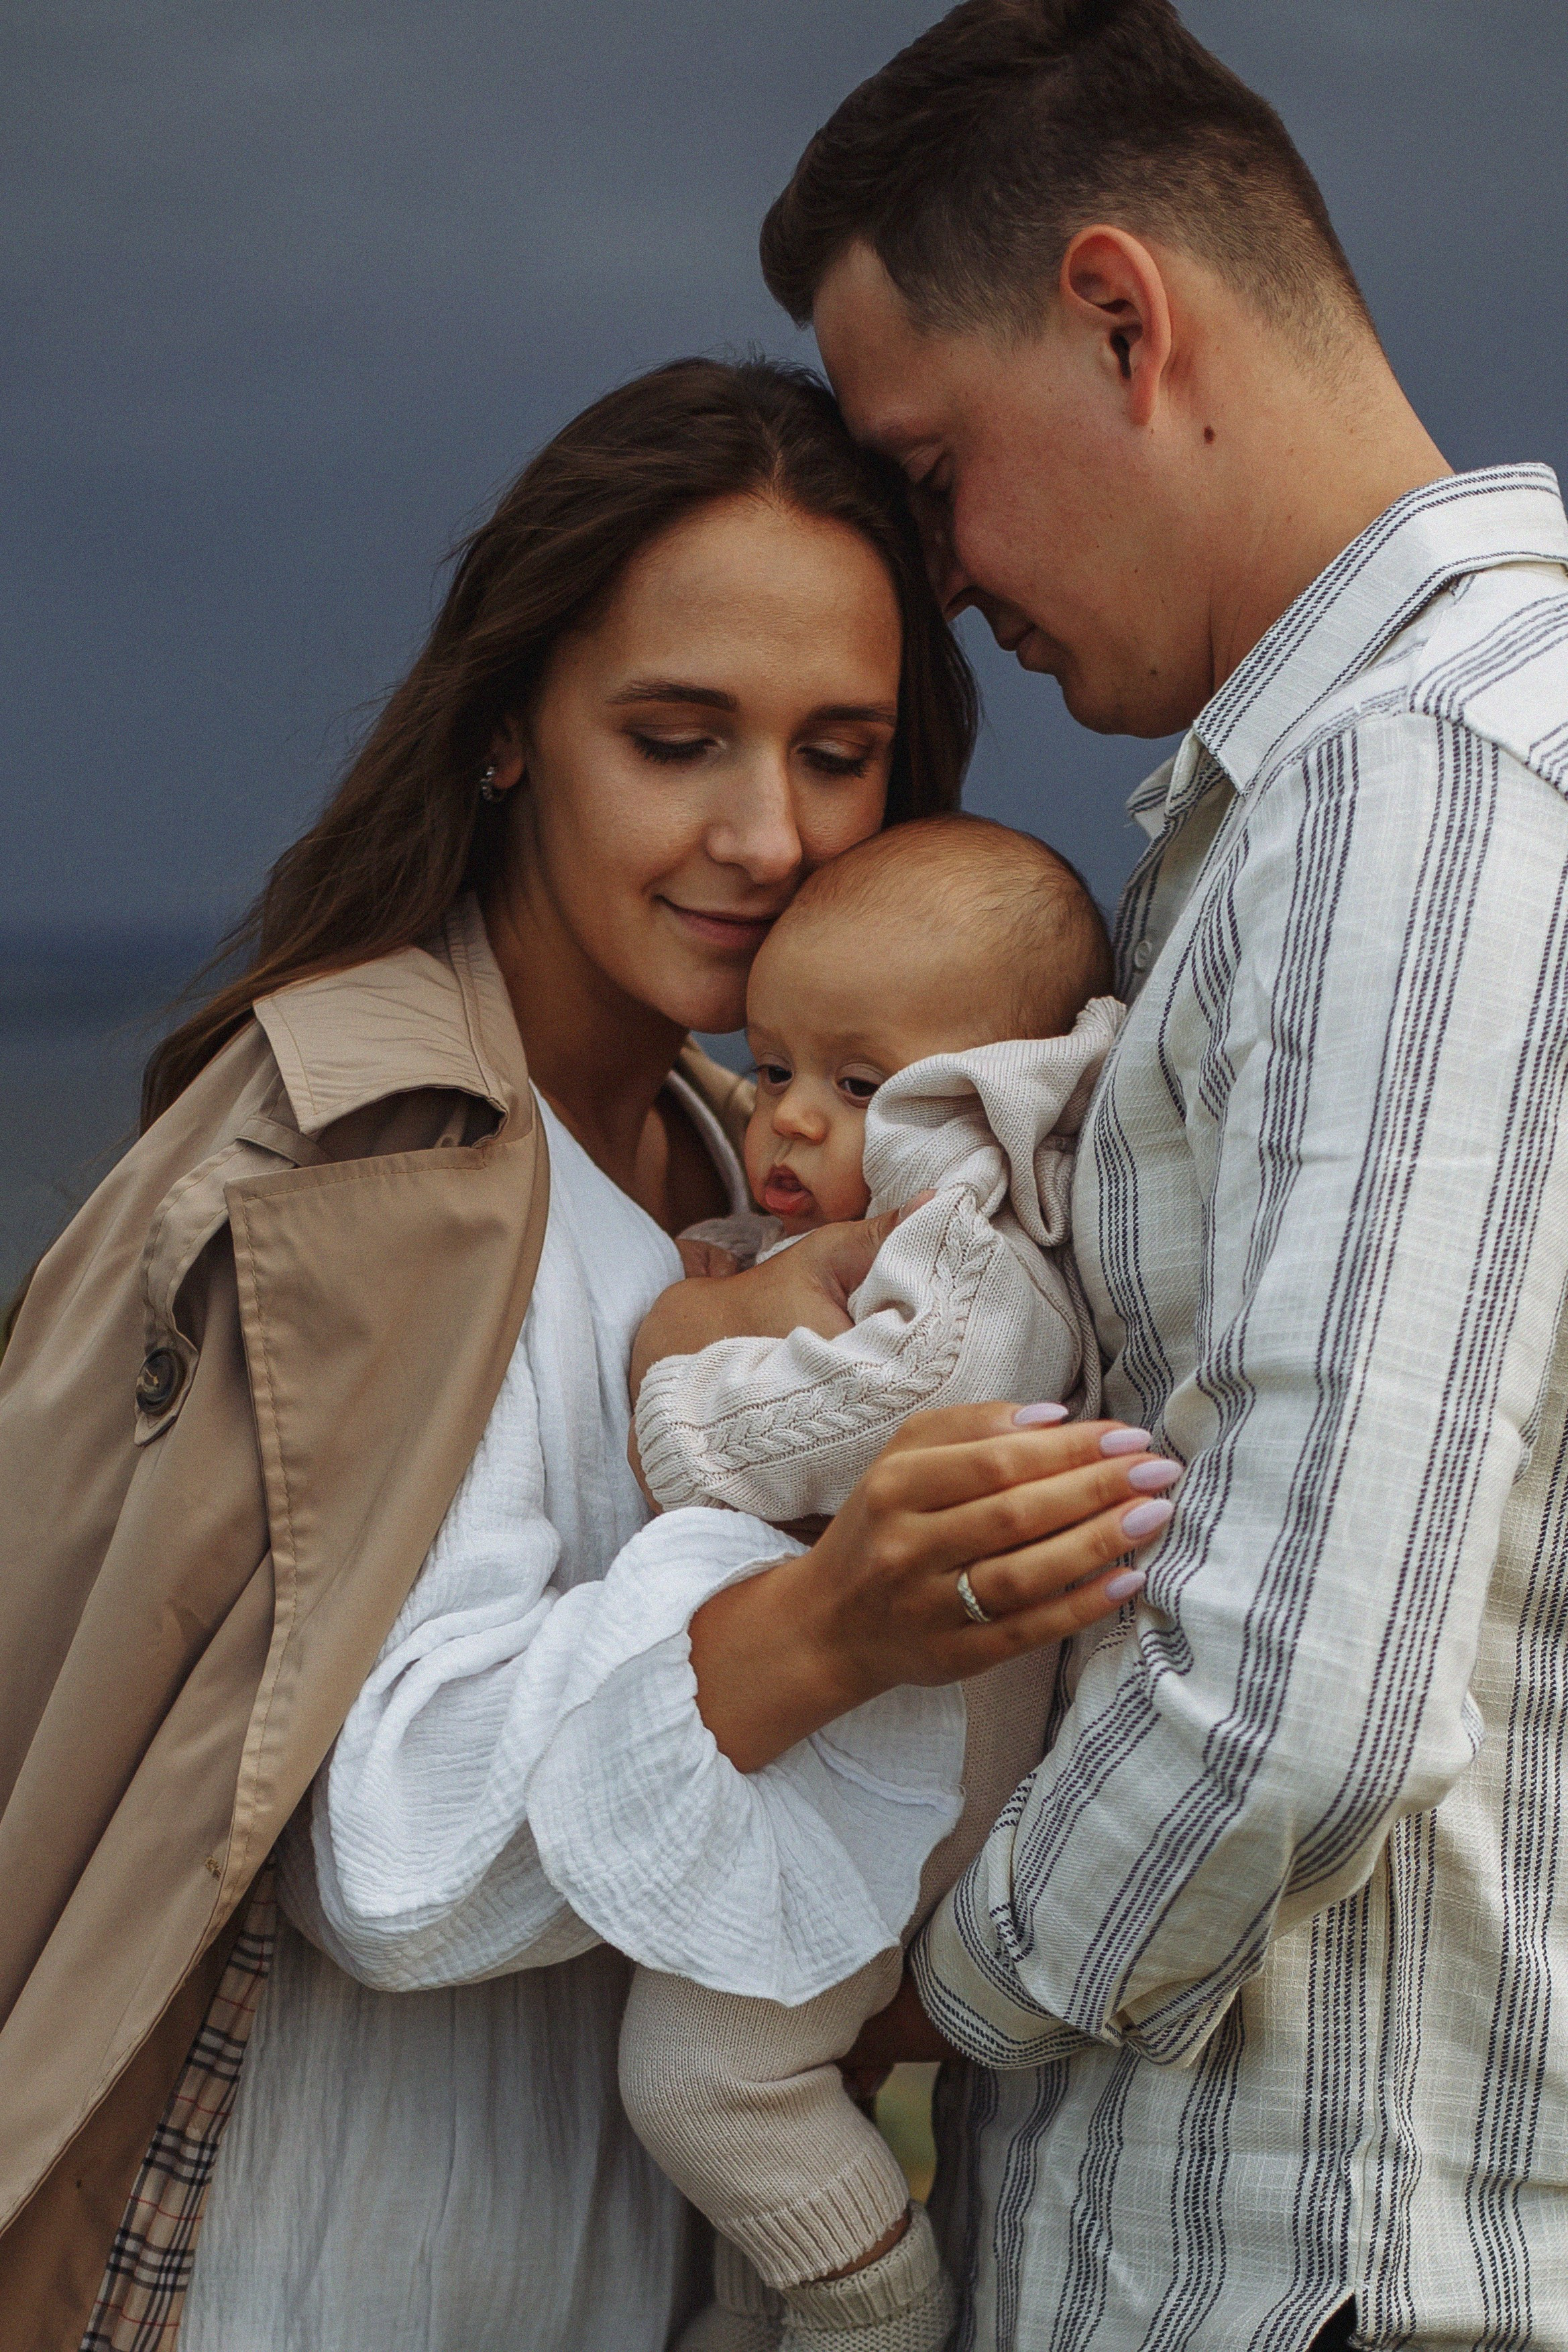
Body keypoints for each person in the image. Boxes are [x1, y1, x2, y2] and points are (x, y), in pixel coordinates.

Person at [0, 355, 1174, 2352]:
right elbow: (382, 1855)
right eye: (674, 738)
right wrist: (831, 1622)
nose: (765, 833)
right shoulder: (367, 1157)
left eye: (838, 752)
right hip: (299, 2270)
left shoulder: (749, 1177)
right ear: (506, 734)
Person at [679, 1, 1568, 2343]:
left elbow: (1297, 1693)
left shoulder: (1421, 790)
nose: (941, 566)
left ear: (1117, 317)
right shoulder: (1355, 794)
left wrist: (929, 1985)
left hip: (1317, 2280)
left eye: (932, 465)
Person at [617, 815, 1135, 2351]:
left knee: (702, 2079)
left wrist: (673, 1394)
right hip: (852, 1762)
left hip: (908, 1783)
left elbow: (891, 1403)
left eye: (859, 1085)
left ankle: (883, 2318)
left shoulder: (972, 1252)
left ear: (981, 1093)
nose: (785, 1116)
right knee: (782, 2078)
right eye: (770, 1064)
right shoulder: (862, 1234)